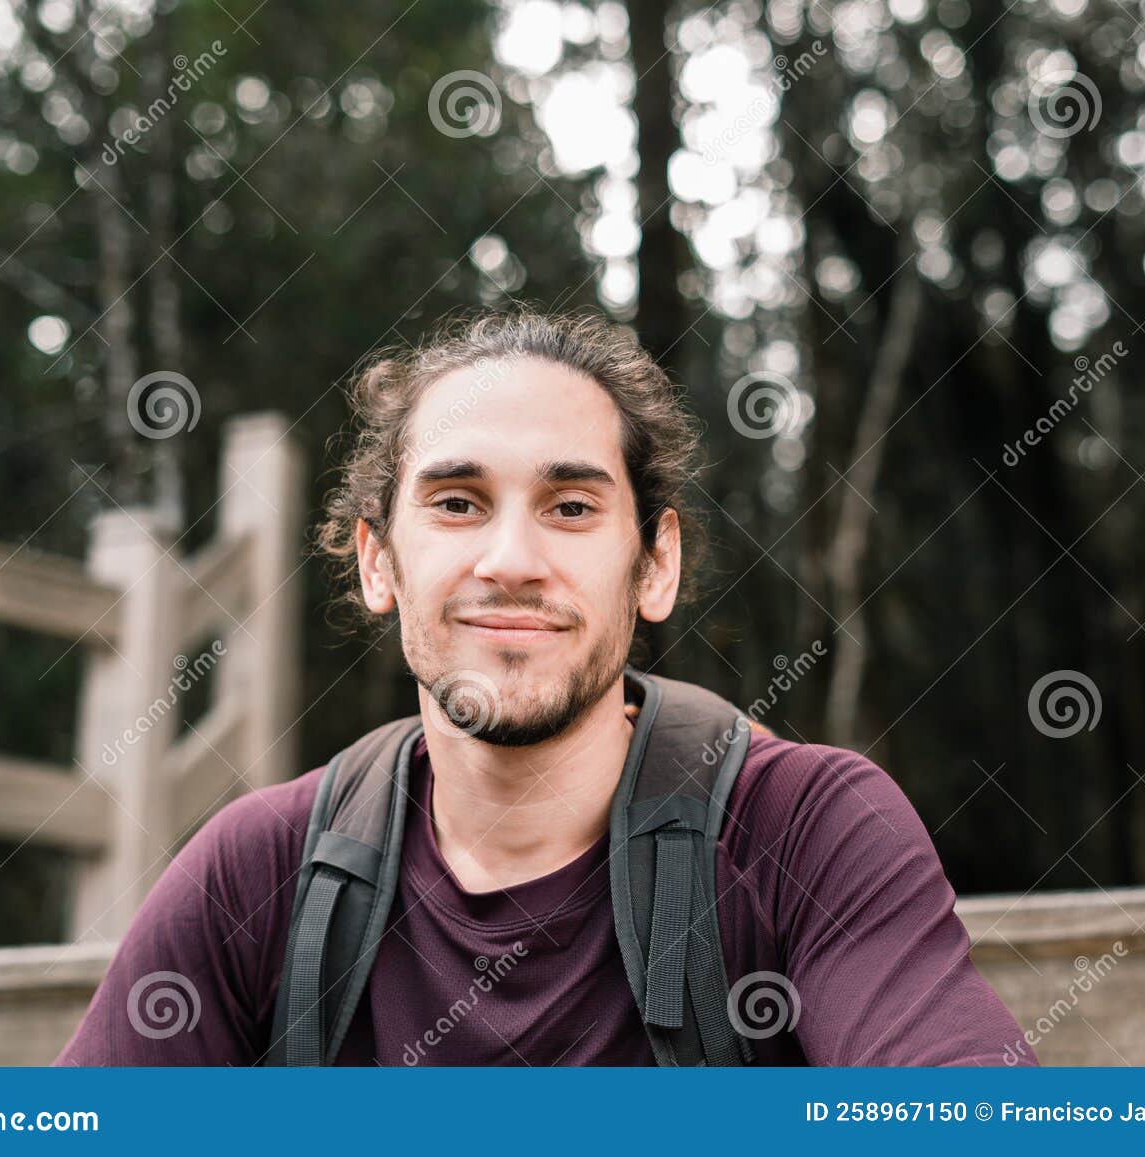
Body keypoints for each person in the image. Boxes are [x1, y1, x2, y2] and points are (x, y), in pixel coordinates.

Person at [56, 306, 1035, 1066]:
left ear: (654, 565)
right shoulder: (260, 870)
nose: (510, 558)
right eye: (455, 502)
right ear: (377, 562)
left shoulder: (804, 830)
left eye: (570, 506)